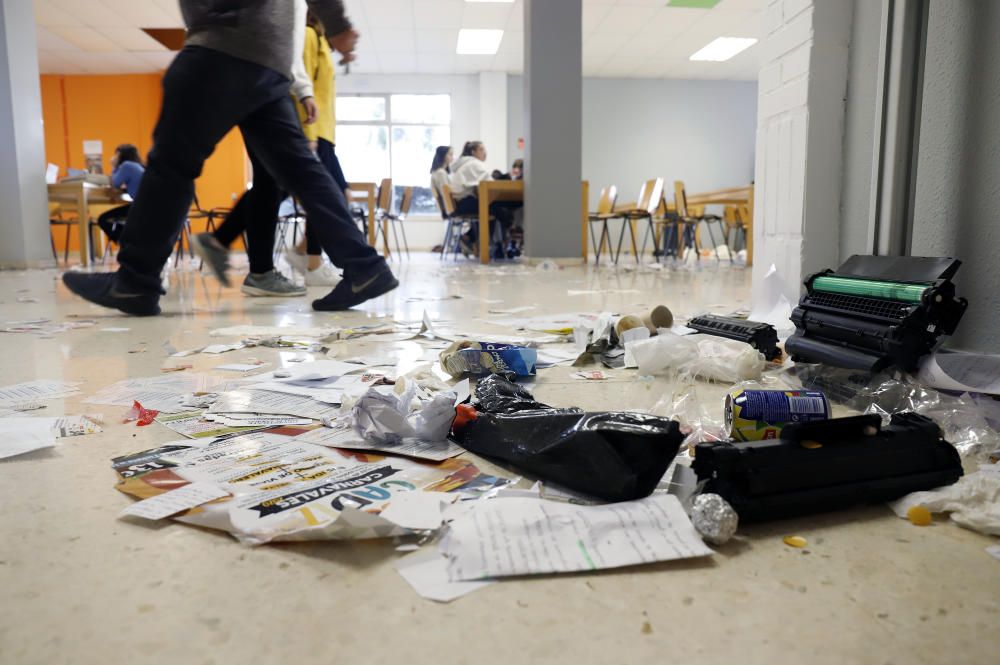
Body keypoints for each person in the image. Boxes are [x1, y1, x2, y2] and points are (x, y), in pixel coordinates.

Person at [64, 0, 398, 316]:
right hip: (268, 58)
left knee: (171, 165)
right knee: (301, 172)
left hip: (222, 41)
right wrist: (334, 25)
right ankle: (364, 267)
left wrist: (335, 22)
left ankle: (135, 281)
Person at [284, 9, 353, 286]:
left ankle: (303, 252)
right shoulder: (310, 36)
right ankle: (313, 262)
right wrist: (308, 133)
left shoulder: (324, 43)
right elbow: (303, 85)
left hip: (326, 135)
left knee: (338, 195)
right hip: (315, 133)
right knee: (327, 197)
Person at [450, 141, 518, 259]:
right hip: (464, 202)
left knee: (493, 207)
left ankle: (473, 239)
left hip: (461, 203)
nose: (484, 152)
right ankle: (508, 231)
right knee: (494, 207)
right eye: (481, 149)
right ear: (473, 152)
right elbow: (489, 183)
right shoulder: (474, 163)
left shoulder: (466, 163)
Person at [95, 144, 145, 244]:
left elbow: (115, 183)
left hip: (141, 207)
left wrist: (114, 166)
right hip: (147, 207)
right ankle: (131, 241)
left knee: (103, 219)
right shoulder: (138, 166)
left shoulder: (127, 165)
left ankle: (127, 242)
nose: (114, 157)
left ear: (121, 155)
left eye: (116, 154)